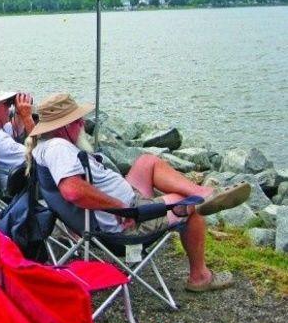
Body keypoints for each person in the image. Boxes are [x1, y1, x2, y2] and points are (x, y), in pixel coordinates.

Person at [26, 92, 252, 293]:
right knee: (188, 205)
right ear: (64, 126)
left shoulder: (46, 146)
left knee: (147, 162)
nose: (83, 124)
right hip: (125, 224)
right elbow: (73, 191)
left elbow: (75, 189)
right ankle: (200, 276)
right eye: (77, 121)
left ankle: (205, 192)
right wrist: (119, 206)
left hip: (121, 208)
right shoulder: (59, 148)